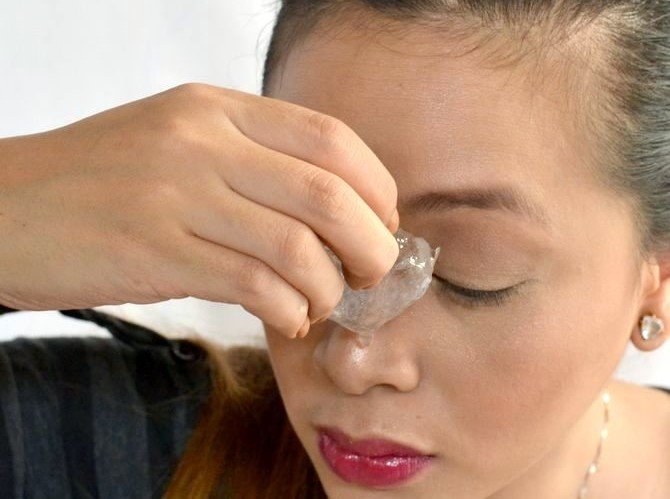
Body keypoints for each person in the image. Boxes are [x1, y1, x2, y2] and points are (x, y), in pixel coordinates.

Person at [0, 0, 669, 497]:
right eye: (316, 240)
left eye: (473, 275)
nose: (354, 360)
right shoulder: (112, 440)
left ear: (658, 276)